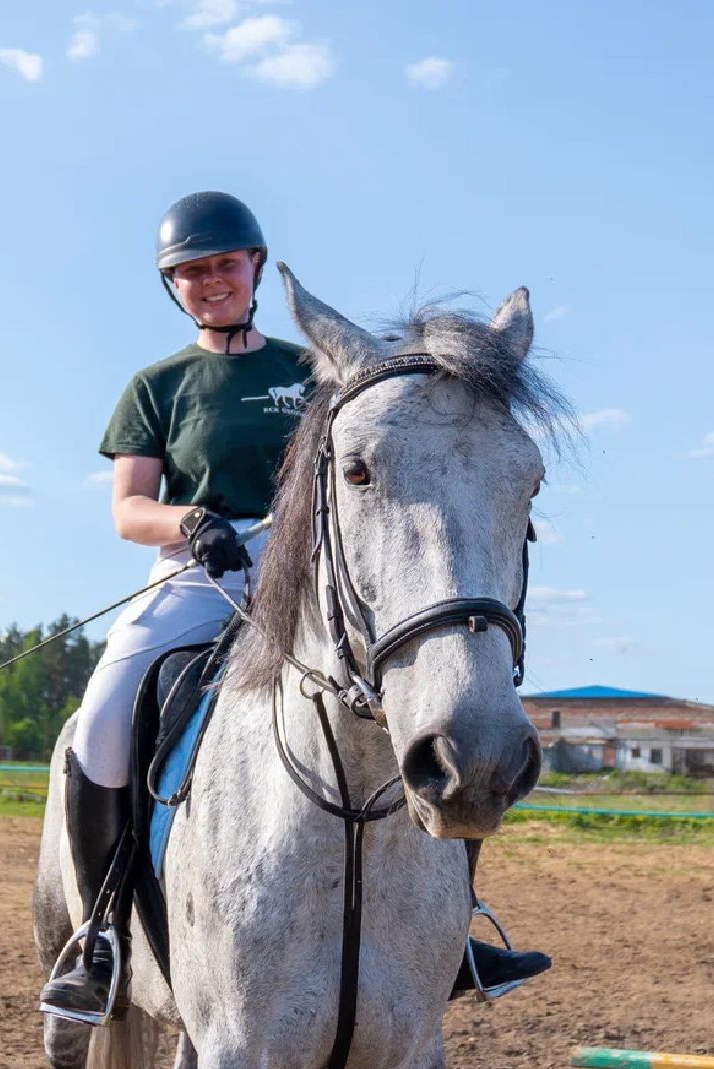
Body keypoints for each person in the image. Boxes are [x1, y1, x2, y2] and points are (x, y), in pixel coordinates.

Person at [40, 191, 549, 1022]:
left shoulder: (307, 365)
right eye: (190, 272)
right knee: (100, 722)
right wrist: (191, 520)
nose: (210, 282)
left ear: (251, 267)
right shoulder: (157, 386)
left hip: (317, 576)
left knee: (439, 701)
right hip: (198, 575)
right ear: (174, 286)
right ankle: (100, 937)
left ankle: (450, 933)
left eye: (223, 265)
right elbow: (128, 510)